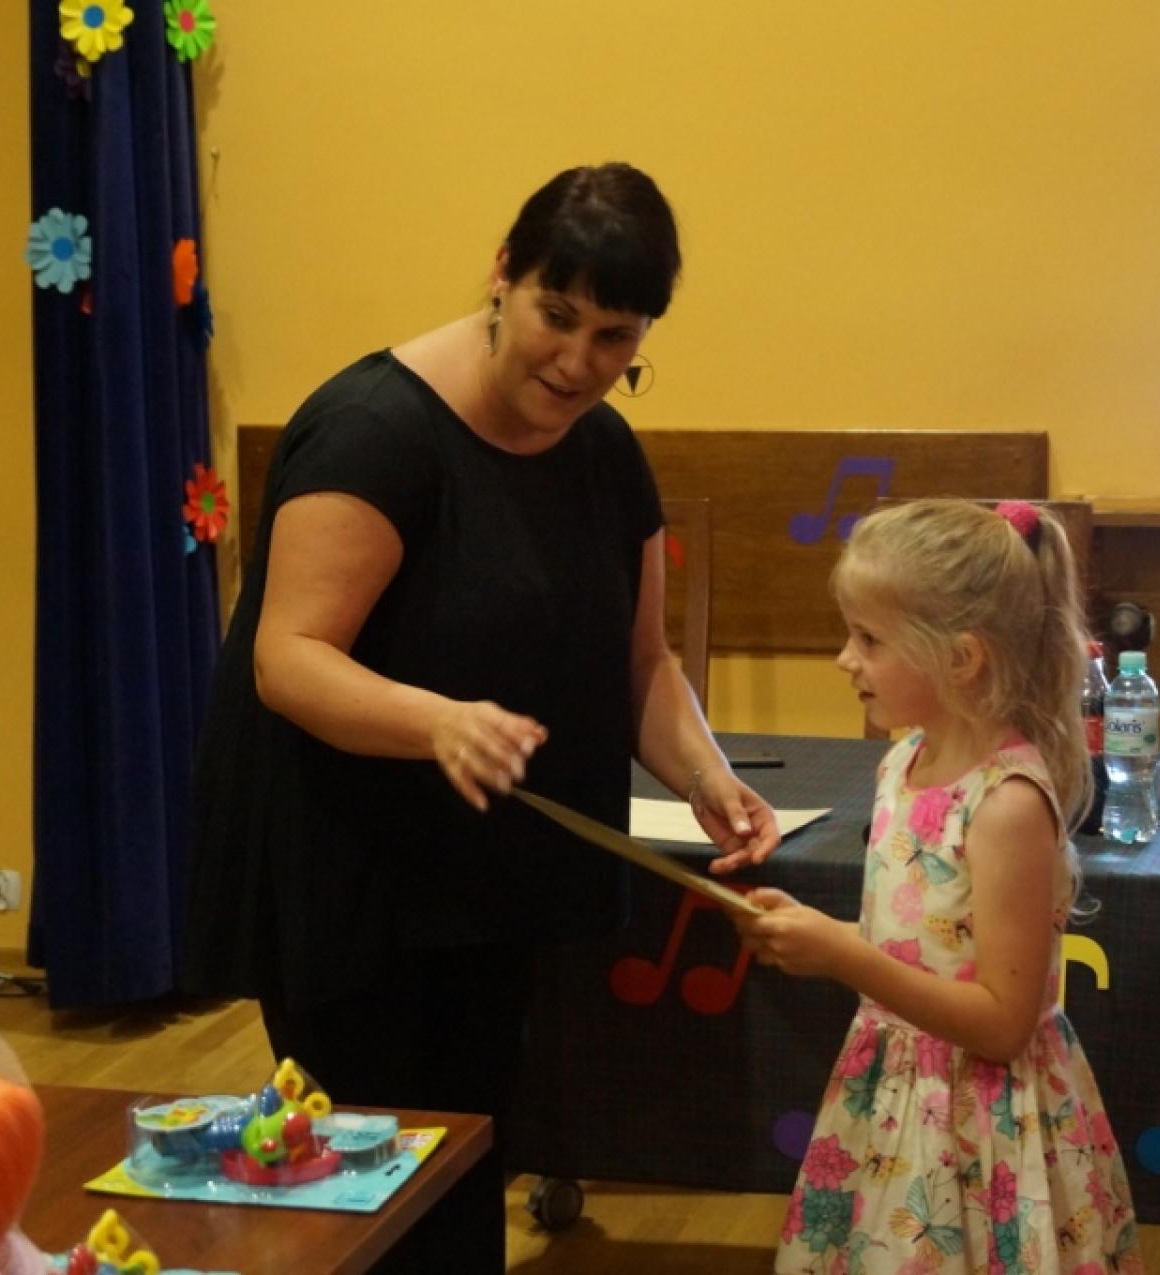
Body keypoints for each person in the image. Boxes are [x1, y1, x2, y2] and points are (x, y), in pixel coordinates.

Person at [182, 162, 780, 1268]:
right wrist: (438, 723)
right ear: (504, 273)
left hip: (489, 877)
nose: (579, 362)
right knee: (370, 1182)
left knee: (466, 1163)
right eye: (559, 316)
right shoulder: (374, 432)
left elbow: (641, 663)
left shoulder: (604, 452)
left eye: (615, 339)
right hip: (354, 873)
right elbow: (289, 659)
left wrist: (706, 775)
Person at [733, 499, 1144, 1274]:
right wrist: (822, 933)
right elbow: (922, 947)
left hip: (985, 1124)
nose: (844, 659)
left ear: (960, 657)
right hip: (896, 1106)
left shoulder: (1007, 804)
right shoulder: (902, 762)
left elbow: (1002, 1024)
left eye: (869, 638)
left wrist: (842, 957)